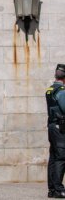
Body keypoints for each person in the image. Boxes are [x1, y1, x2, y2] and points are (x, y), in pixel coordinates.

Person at [46, 64, 65, 198]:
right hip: (60, 128)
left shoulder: (50, 89)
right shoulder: (62, 90)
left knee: (53, 158)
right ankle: (58, 189)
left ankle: (52, 189)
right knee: (61, 157)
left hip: (52, 126)